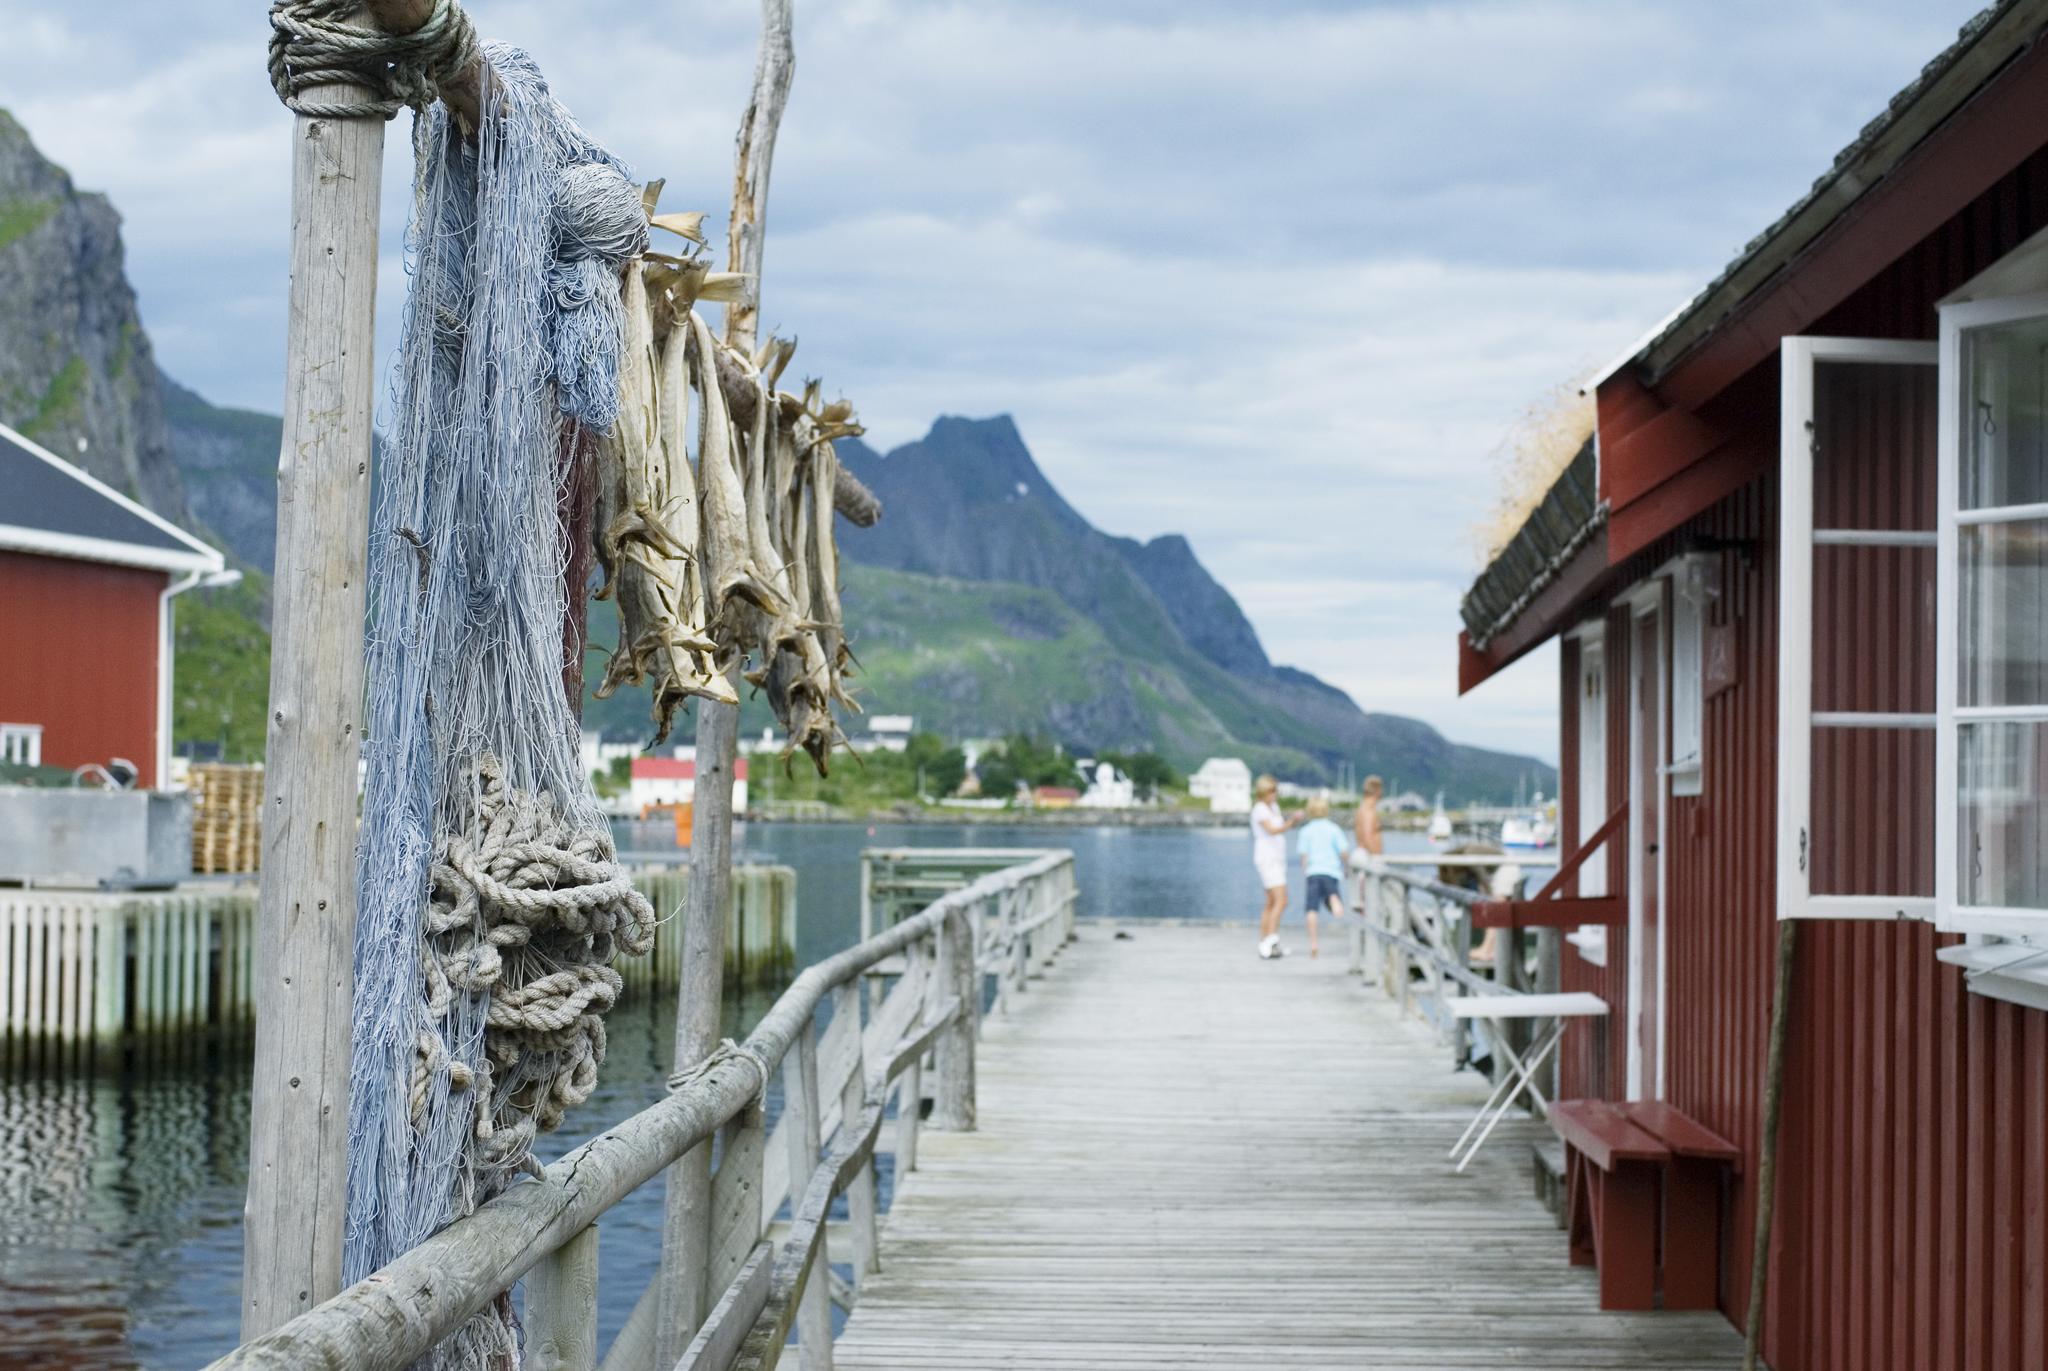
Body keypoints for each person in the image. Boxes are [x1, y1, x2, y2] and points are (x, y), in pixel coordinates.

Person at [1296, 792, 1352, 958]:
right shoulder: (1333, 829)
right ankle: (1335, 900)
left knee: (1311, 909)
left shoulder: (1306, 830)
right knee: (1333, 897)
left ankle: (1313, 943)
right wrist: (1346, 867)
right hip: (1331, 871)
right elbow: (1343, 851)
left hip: (1313, 872)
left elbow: (1304, 855)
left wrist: (1305, 871)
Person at [1250, 774, 1298, 959]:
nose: (1275, 794)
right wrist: (1291, 822)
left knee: (1271, 902)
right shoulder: (1260, 809)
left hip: (1277, 858)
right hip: (1268, 859)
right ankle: (1270, 940)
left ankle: (1267, 941)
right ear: (1264, 792)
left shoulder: (1273, 807)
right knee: (1281, 900)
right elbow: (1272, 830)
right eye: (1272, 791)